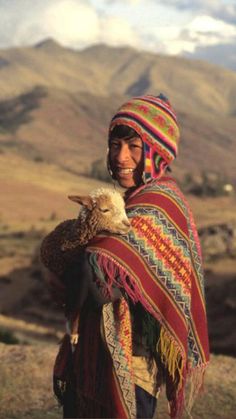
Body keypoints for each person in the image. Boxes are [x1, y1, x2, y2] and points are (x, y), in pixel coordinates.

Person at [40, 94, 209, 419]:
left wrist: (78, 260)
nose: (120, 157)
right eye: (114, 145)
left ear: (158, 152)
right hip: (93, 359)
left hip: (132, 367)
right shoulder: (129, 201)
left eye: (134, 146)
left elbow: (100, 269)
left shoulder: (158, 205)